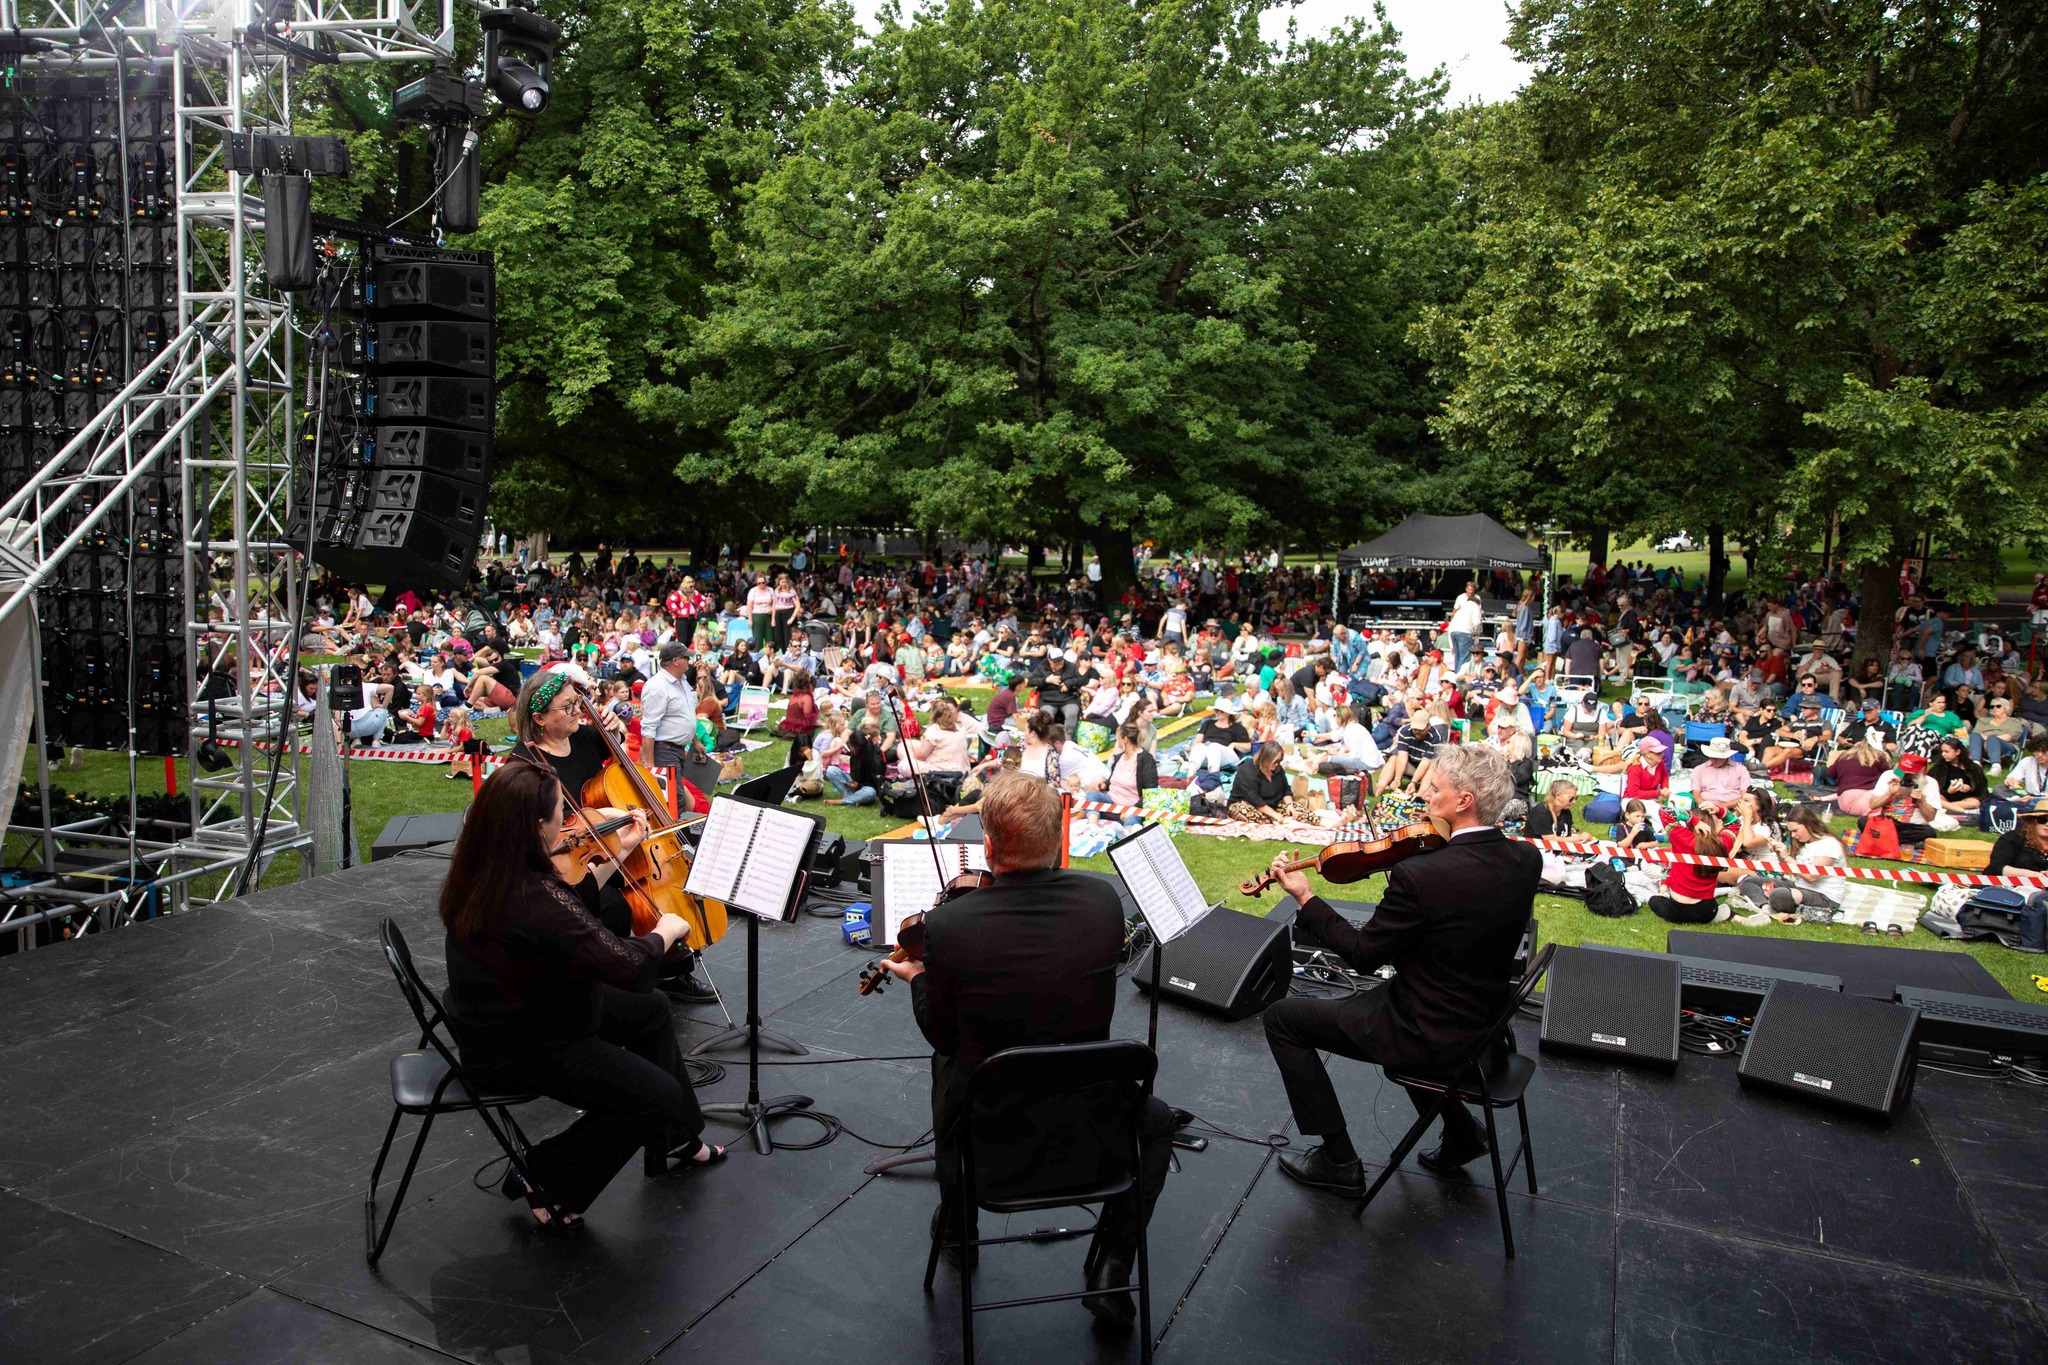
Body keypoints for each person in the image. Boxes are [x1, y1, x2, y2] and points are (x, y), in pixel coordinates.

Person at [872, 773, 1173, 1328]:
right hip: (1094, 1120)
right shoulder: (1102, 901)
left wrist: (918, 977)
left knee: (951, 1062)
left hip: (993, 1132)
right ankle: (1113, 1266)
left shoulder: (951, 925)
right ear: (1059, 839)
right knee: (1155, 1122)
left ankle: (960, 1227)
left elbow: (940, 1035)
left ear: (987, 846)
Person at [440, 763, 724, 1231]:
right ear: (536, 826)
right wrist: (662, 934)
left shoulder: (489, 870)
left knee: (651, 1011)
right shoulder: (530, 894)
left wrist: (620, 852)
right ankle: (546, 1177)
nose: (568, 822)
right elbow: (627, 967)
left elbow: (569, 907)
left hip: (506, 1015)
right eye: (560, 813)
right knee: (656, 1093)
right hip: (523, 1043)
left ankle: (676, 1137)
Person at [1261, 744, 1540, 1194]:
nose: (1427, 797)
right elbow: (1463, 925)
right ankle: (1463, 1132)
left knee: (1282, 1020)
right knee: (1371, 1005)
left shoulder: (1423, 876)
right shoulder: (1527, 859)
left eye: (1437, 790)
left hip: (1425, 1033)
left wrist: (1305, 898)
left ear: (1464, 801)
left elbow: (1362, 954)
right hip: (1485, 1028)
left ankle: (1338, 1160)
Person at [509, 669, 716, 1004]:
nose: (579, 711)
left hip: (615, 840)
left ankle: (671, 969)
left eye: (578, 702)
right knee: (616, 906)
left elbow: (617, 761)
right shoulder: (525, 762)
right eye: (568, 707)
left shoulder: (582, 737)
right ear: (540, 719)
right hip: (571, 858)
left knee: (655, 886)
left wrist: (615, 730)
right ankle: (605, 979)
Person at [1734, 807, 1846, 925]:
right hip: (1798, 886)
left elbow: (1811, 876)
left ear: (1808, 824)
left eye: (1795, 830)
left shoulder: (1830, 844)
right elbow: (1789, 872)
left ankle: (1768, 902)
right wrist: (1780, 854)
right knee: (1747, 881)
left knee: (1779, 894)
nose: (1793, 835)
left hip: (1823, 896)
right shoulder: (1806, 843)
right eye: (1791, 832)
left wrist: (1787, 857)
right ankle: (1765, 908)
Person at [1647, 807, 1735, 924]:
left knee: (1654, 900)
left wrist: (1693, 820)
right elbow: (1734, 824)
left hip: (1677, 910)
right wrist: (1719, 810)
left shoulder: (1682, 837)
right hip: (1706, 910)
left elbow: (1664, 811)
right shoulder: (1722, 843)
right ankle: (1722, 914)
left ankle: (1722, 914)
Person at [639, 642, 698, 770]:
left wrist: (696, 742)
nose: (689, 660)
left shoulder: (683, 680)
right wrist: (650, 764)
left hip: (678, 750)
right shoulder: (656, 686)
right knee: (674, 791)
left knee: (679, 789)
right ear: (676, 661)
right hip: (665, 752)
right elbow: (649, 727)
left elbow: (685, 715)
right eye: (686, 657)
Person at [1228, 741, 1298, 824]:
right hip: (1246, 804)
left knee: (1299, 811)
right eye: (1275, 761)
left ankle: (1281, 819)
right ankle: (1276, 820)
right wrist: (1275, 815)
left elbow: (1286, 790)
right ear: (1266, 758)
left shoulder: (1278, 770)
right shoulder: (1247, 771)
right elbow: (1254, 799)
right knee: (1253, 814)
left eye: (1279, 761)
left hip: (1272, 804)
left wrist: (1290, 805)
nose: (1277, 764)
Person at [1986, 799, 2048, 876]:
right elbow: (1997, 867)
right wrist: (2032, 875)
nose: (2047, 824)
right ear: (2033, 821)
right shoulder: (2012, 838)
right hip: (2006, 885)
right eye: (2042, 820)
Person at [1689, 737, 1751, 812]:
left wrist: (1722, 807)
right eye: (1713, 758)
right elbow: (1696, 795)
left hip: (1733, 809)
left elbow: (1745, 795)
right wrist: (1707, 805)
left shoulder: (1741, 770)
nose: (1715, 761)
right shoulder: (1699, 769)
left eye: (1719, 758)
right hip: (1705, 808)